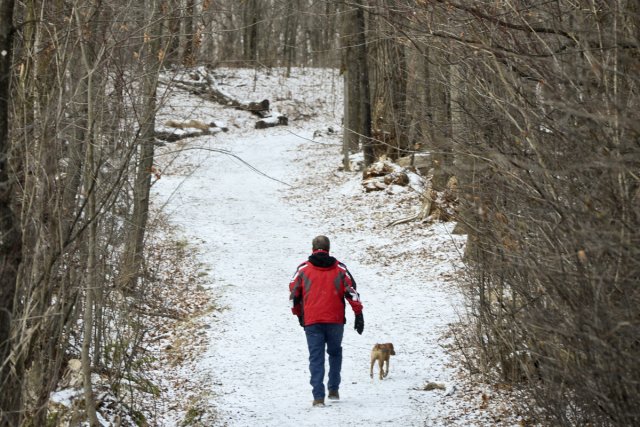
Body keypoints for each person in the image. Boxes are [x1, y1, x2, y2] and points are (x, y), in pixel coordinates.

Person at [289, 235, 364, 407]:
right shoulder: (340, 269)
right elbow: (351, 290)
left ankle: (318, 397)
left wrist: (299, 314)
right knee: (335, 353)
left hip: (312, 320)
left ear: (312, 248)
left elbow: (293, 294)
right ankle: (334, 389)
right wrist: (358, 313)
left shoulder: (303, 269)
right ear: (328, 249)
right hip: (335, 320)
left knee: (316, 357)